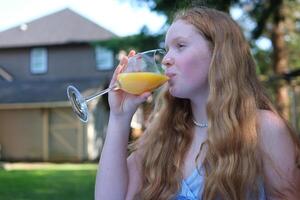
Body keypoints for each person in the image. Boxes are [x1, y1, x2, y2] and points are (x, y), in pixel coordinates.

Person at [95, 7, 300, 200]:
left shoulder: (264, 128)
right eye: (167, 50)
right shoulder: (162, 136)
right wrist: (119, 118)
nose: (166, 59)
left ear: (218, 55)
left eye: (180, 46)